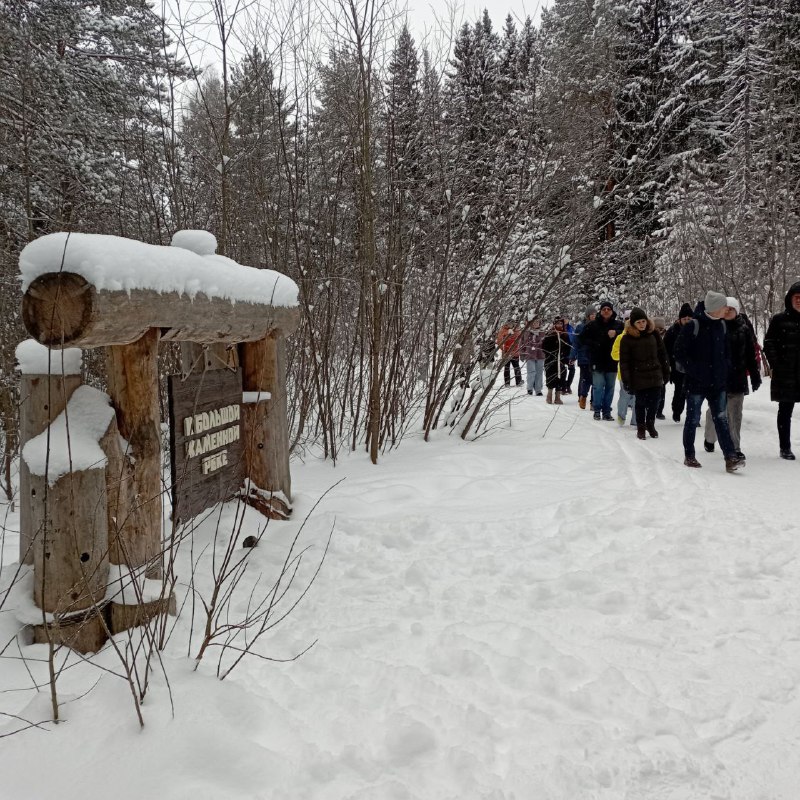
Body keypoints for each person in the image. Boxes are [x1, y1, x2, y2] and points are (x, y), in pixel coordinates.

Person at [674, 291, 745, 472]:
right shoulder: (693, 326)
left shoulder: (721, 325)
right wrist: (696, 370)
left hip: (718, 384)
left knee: (721, 420)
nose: (727, 309)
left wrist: (725, 368)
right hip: (696, 384)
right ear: (715, 308)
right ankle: (689, 455)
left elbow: (726, 351)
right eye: (724, 307)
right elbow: (679, 353)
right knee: (692, 419)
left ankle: (730, 458)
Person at [702, 298, 761, 458]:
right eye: (725, 309)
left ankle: (735, 448)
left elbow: (750, 352)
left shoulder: (744, 328)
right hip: (718, 379)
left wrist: (755, 375)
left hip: (737, 378)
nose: (727, 312)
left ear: (737, 311)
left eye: (731, 309)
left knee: (735, 415)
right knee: (716, 412)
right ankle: (710, 437)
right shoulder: (714, 328)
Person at [619, 307, 670, 440]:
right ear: (633, 324)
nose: (642, 324)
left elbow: (662, 354)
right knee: (640, 403)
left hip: (655, 373)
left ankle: (650, 424)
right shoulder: (627, 339)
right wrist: (627, 380)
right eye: (638, 322)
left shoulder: (654, 334)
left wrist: (666, 371)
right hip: (638, 376)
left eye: (643, 321)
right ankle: (641, 426)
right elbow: (624, 362)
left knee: (654, 402)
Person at [763, 282, 800, 460]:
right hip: (786, 373)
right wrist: (777, 364)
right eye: (797, 298)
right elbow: (769, 343)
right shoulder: (779, 320)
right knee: (785, 410)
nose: (799, 301)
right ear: (790, 299)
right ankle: (785, 447)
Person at [579, 300, 624, 420]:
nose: (606, 311)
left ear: (612, 311)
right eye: (604, 309)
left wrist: (616, 333)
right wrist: (595, 344)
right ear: (600, 311)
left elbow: (627, 335)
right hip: (597, 360)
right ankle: (597, 410)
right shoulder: (592, 325)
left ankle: (607, 411)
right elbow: (582, 338)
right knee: (598, 387)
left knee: (610, 388)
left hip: (612, 361)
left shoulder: (618, 324)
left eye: (608, 309)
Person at [663, 303, 694, 422]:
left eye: (689, 319)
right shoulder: (672, 331)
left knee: (693, 393)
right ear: (680, 319)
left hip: (692, 366)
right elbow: (666, 349)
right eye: (684, 319)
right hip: (677, 367)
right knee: (680, 391)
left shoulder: (697, 329)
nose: (686, 321)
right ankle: (677, 411)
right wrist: (669, 365)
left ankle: (693, 415)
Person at [611, 310, 636, 426]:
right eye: (627, 320)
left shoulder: (640, 337)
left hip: (639, 372)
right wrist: (625, 355)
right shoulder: (620, 337)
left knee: (637, 397)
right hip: (624, 373)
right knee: (625, 395)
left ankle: (636, 420)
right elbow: (614, 354)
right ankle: (621, 417)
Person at [542, 316, 571, 404]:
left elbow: (568, 347)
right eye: (557, 323)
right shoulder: (549, 334)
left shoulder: (565, 335)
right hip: (551, 360)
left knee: (561, 377)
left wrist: (564, 356)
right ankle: (549, 395)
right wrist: (551, 354)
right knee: (551, 377)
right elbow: (544, 347)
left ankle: (558, 396)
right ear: (554, 324)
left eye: (561, 323)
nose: (559, 325)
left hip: (561, 360)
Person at [573, 306, 597, 409]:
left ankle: (593, 402)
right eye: (592, 314)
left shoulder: (598, 326)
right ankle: (583, 396)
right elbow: (576, 343)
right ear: (587, 316)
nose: (594, 316)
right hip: (584, 357)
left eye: (595, 314)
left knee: (596, 381)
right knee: (586, 379)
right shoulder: (580, 327)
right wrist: (572, 356)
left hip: (595, 357)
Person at [520, 317, 546, 396]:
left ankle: (538, 389)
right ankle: (530, 388)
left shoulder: (543, 332)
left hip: (540, 355)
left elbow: (546, 344)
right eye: (533, 322)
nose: (535, 324)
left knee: (539, 373)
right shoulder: (526, 332)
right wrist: (522, 353)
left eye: (537, 322)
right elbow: (521, 344)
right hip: (529, 355)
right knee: (531, 372)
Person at [651, 316, 667, 420]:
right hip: (652, 368)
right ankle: (652, 409)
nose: (659, 330)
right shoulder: (649, 337)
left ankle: (659, 411)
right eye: (656, 328)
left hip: (663, 367)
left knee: (662, 390)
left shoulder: (667, 337)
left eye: (660, 328)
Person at [497, 321, 522, 387]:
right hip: (506, 352)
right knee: (507, 368)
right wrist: (503, 350)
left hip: (515, 352)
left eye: (511, 323)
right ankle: (507, 383)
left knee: (516, 367)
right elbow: (499, 340)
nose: (510, 325)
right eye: (508, 323)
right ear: (506, 324)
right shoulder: (503, 330)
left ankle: (518, 382)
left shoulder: (516, 329)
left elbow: (520, 338)